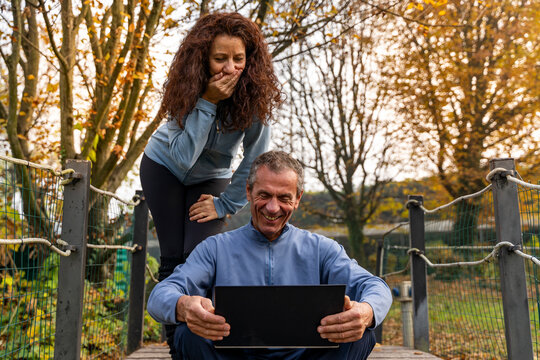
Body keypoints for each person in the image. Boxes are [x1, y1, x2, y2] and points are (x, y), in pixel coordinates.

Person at [147, 150, 393, 360]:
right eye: (264, 195)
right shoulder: (214, 248)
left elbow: (374, 286)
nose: (273, 207)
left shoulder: (321, 248)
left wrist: (367, 312)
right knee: (186, 333)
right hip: (231, 355)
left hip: (304, 356)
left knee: (363, 334)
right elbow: (160, 295)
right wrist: (183, 305)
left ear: (297, 199)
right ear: (248, 192)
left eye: (284, 198)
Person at [140, 12, 282, 284]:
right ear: (203, 59)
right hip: (163, 167)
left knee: (199, 254)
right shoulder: (184, 87)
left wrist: (225, 204)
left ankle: (200, 323)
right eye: (220, 59)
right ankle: (174, 326)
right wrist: (208, 101)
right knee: (171, 255)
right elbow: (182, 158)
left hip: (210, 178)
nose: (230, 68)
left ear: (248, 60)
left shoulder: (255, 100)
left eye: (238, 59)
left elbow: (256, 159)